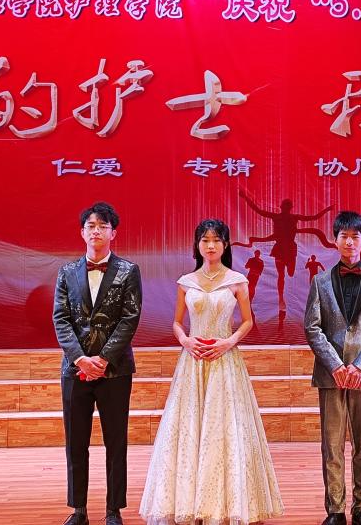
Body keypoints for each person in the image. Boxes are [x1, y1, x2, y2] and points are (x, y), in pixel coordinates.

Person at [139, 219, 284, 525]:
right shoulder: (186, 282)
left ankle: (226, 505)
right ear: (197, 245)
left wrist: (228, 342)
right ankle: (189, 505)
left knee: (224, 429)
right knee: (190, 429)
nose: (210, 245)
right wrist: (185, 340)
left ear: (225, 245)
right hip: (192, 363)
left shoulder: (237, 281)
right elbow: (177, 322)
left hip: (224, 361)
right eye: (205, 240)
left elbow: (248, 321)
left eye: (216, 240)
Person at [53, 202, 142, 525]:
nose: (96, 231)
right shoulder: (66, 272)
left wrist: (103, 360)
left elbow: (130, 318)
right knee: (75, 442)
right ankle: (78, 509)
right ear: (82, 232)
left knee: (115, 442)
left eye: (103, 226)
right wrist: (80, 358)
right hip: (75, 369)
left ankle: (113, 510)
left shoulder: (128, 271)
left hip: (114, 370)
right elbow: (61, 318)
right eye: (91, 226)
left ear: (113, 233)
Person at [304, 211, 361, 525]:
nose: (350, 242)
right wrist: (336, 365)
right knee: (331, 446)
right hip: (331, 376)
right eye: (344, 236)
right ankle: (334, 511)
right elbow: (312, 327)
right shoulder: (319, 281)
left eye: (356, 236)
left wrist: (359, 365)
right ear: (335, 240)